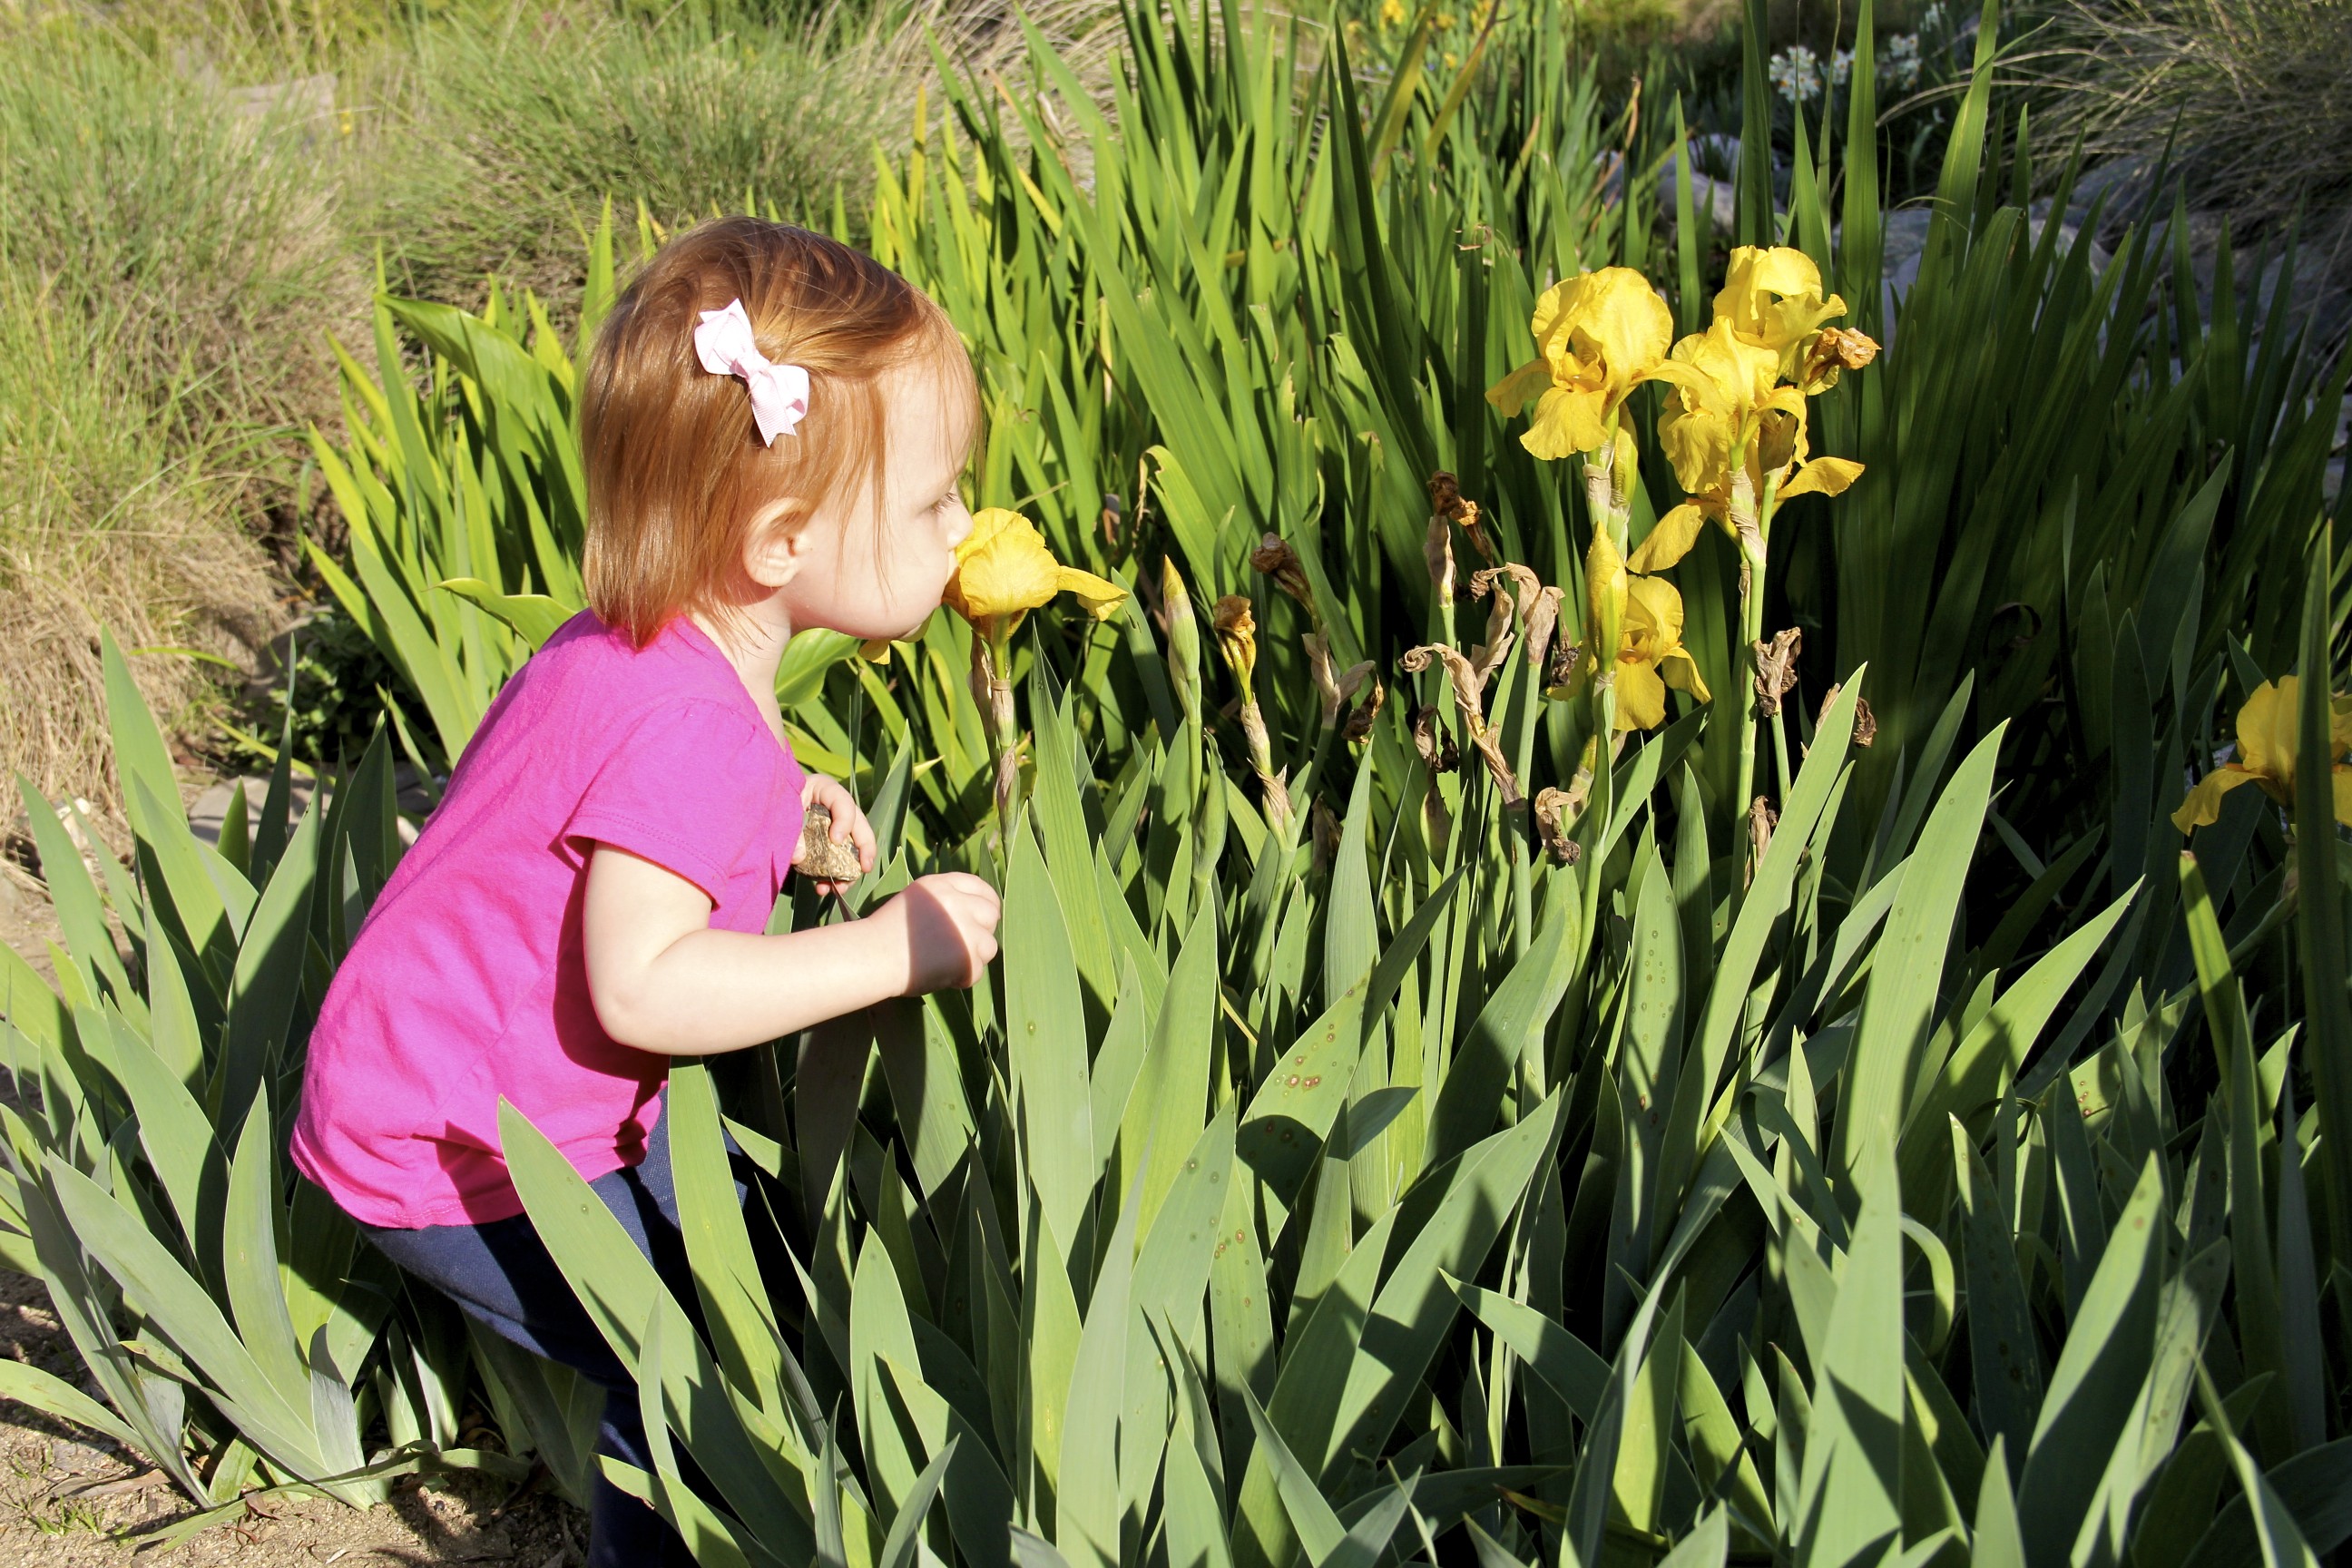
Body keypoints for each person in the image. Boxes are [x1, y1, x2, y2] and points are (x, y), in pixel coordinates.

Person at [291, 217, 1004, 1566]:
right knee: (676, 1371)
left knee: (720, 1277)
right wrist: (889, 950)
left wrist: (778, 799)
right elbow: (646, 986)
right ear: (782, 542)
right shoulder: (694, 733)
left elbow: (603, 796)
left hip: (434, 1076)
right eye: (930, 505)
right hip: (460, 1145)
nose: (961, 526)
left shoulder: (630, 642)